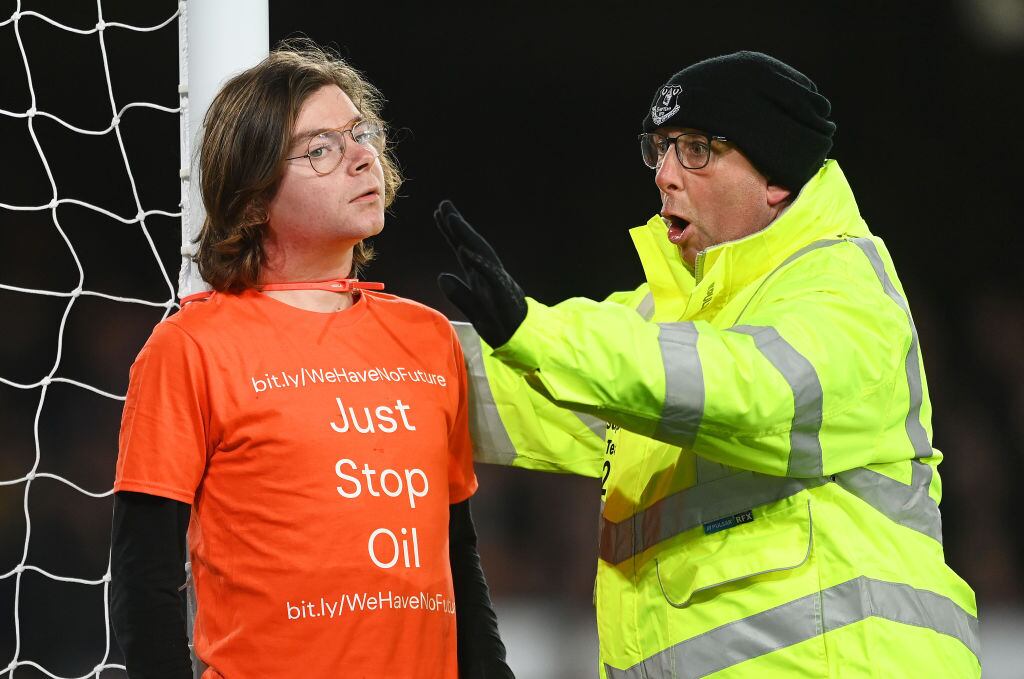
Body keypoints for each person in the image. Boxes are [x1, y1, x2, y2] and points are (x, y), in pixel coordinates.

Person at [436, 51, 980, 677]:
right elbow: (522, 396)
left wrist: (536, 331)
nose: (665, 174)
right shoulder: (668, 320)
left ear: (774, 176)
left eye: (695, 148)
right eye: (658, 148)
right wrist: (368, 357)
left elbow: (748, 388)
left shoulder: (843, 287)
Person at [110, 40, 512, 679]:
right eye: (321, 149)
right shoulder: (191, 347)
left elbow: (457, 548)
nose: (361, 158)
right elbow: (145, 573)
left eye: (362, 134)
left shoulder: (429, 337)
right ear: (253, 197)